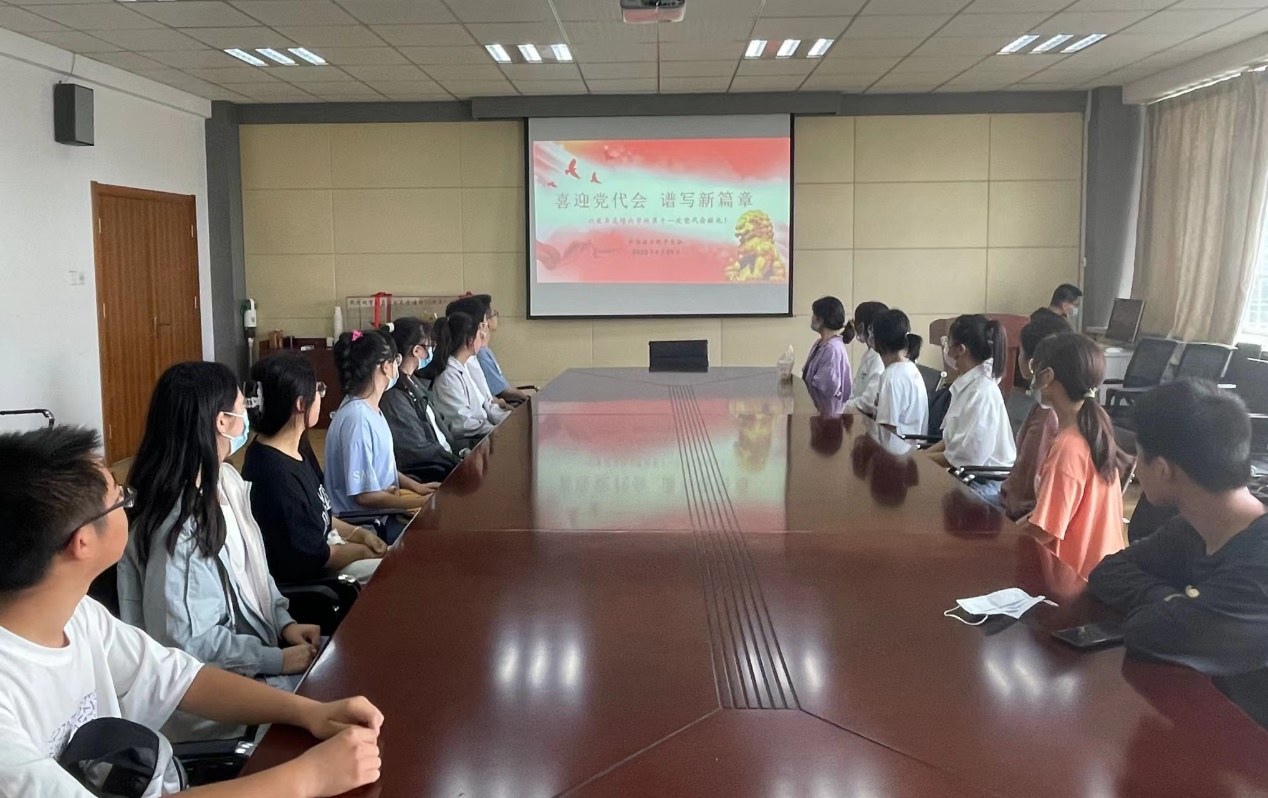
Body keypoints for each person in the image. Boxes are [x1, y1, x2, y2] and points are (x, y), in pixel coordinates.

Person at [0, 425, 383, 797]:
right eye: (119, 499)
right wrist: (309, 778)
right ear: (81, 542)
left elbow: (182, 679)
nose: (128, 503)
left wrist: (308, 711)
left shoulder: (78, 614)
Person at [117, 362, 321, 740]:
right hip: (211, 700)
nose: (248, 416)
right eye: (242, 407)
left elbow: (254, 572)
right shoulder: (178, 524)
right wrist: (275, 659)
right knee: (329, 711)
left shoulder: (226, 480)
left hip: (250, 665)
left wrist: (284, 623)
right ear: (222, 422)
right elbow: (188, 645)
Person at [241, 354, 386, 587]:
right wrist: (363, 551)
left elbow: (321, 516)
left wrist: (361, 534)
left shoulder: (297, 447)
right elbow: (316, 558)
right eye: (318, 389)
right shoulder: (274, 475)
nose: (320, 395)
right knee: (397, 572)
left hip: (333, 551)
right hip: (320, 580)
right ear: (300, 404)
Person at [1020, 333, 1125, 578]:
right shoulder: (1091, 431)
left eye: (1036, 369)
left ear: (1047, 376)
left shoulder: (1068, 447)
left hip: (1073, 579)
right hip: (1098, 572)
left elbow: (1046, 531)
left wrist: (1006, 544)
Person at [926, 315, 1016, 486]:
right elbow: (952, 442)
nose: (946, 349)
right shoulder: (968, 385)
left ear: (961, 349)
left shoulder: (982, 392)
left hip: (984, 482)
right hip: (966, 473)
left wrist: (920, 460)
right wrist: (919, 457)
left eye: (948, 342)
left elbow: (967, 457)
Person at [999, 313, 1069, 519]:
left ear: (1032, 363)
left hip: (1016, 514)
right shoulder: (1049, 407)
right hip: (1015, 505)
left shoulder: (1047, 415)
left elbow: (1026, 492)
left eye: (1020, 351)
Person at [381, 318, 463, 483]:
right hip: (431, 471)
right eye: (430, 346)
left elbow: (439, 426)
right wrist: (456, 462)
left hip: (444, 458)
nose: (433, 350)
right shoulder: (395, 395)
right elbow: (416, 448)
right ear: (417, 350)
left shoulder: (412, 381)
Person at [420, 312, 510, 446]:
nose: (483, 338)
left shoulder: (465, 366)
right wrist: (498, 431)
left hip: (483, 432)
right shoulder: (448, 376)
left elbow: (486, 406)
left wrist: (510, 421)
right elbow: (463, 424)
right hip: (470, 440)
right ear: (469, 340)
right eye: (479, 334)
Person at [447, 294, 528, 406]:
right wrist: (526, 399)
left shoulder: (476, 356)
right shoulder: (476, 356)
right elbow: (497, 394)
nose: (483, 328)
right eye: (482, 323)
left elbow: (486, 399)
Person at [870, 308, 928, 437]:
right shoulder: (910, 367)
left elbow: (887, 429)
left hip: (898, 447)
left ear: (878, 341)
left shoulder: (891, 377)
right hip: (912, 444)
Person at [802, 296, 853, 401]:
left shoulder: (832, 349)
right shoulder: (820, 344)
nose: (811, 318)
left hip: (826, 408)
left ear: (821, 319)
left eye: (814, 314)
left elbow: (827, 386)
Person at [843, 300, 888, 416]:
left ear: (862, 326)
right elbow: (855, 391)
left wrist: (843, 408)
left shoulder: (879, 358)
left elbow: (869, 402)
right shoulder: (869, 355)